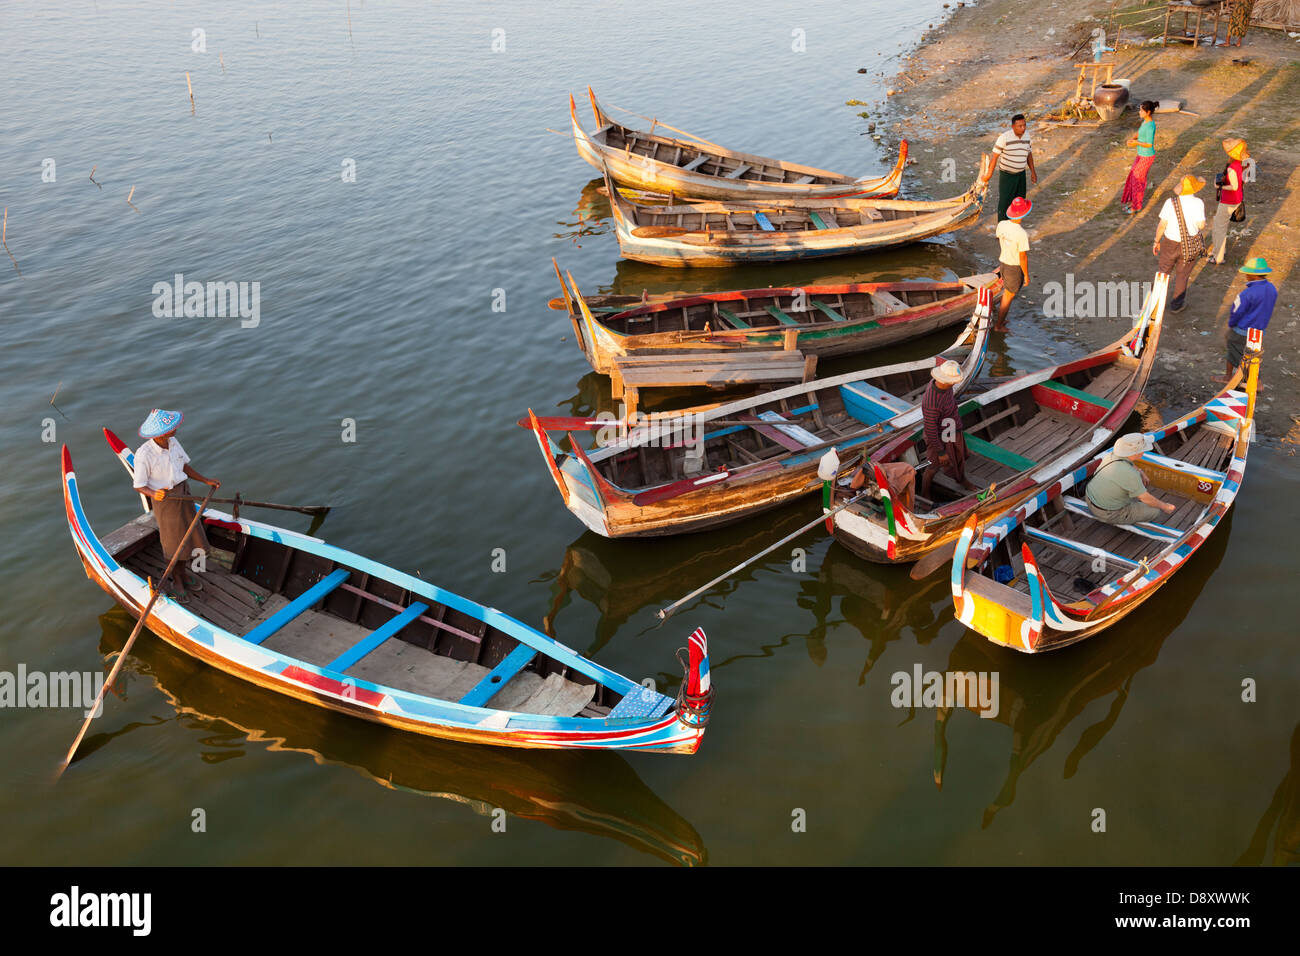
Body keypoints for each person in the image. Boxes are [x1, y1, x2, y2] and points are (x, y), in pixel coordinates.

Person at [132, 409, 221, 601]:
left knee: (190, 536)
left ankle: (184, 574)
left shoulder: (173, 443)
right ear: (161, 433)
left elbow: (184, 466)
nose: (175, 429)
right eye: (171, 428)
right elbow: (139, 485)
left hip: (184, 493)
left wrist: (206, 480)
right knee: (173, 543)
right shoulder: (144, 454)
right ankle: (176, 579)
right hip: (166, 502)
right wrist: (154, 493)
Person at [1085, 433, 1177, 526]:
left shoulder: (1111, 455)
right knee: (1155, 511)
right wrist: (1165, 507)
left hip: (1089, 498)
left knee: (1131, 489)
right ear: (1136, 453)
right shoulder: (1130, 474)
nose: (1143, 452)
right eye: (1142, 450)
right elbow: (1145, 498)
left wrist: (1140, 471)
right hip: (1107, 513)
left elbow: (1128, 462)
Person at [920, 360, 977, 499]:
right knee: (933, 465)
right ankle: (925, 493)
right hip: (939, 434)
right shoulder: (931, 402)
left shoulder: (944, 386)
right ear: (946, 381)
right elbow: (930, 429)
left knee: (958, 456)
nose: (954, 383)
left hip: (950, 426)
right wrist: (941, 452)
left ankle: (961, 479)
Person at [1152, 175, 1207, 313]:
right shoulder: (1199, 203)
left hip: (1170, 243)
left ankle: (1155, 304)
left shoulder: (1170, 202)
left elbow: (1162, 225)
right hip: (1190, 245)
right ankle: (1177, 305)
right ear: (1195, 188)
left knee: (1163, 271)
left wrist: (1156, 241)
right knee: (1182, 275)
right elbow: (1201, 225)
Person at [1217, 257, 1277, 383]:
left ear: (1252, 275)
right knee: (1253, 355)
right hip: (1259, 330)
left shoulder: (1246, 294)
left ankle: (1232, 377)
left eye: (1247, 274)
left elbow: (1236, 312)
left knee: (1234, 351)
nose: (1246, 276)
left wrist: (1231, 324)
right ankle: (1252, 380)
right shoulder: (1272, 289)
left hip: (1243, 329)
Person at [983, 113, 1037, 222]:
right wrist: (988, 174)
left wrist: (1033, 172)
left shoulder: (1027, 136)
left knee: (1020, 201)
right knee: (1005, 202)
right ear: (1013, 126)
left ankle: (1015, 225)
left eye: (1024, 125)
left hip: (1021, 175)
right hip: (1007, 175)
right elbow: (994, 157)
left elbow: (1029, 154)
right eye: (1020, 126)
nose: (1023, 128)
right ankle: (1002, 228)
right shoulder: (1004, 138)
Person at [994, 196, 1031, 331]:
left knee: (1007, 292)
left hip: (1003, 262)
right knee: (1008, 297)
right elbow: (1023, 258)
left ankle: (1000, 319)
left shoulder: (1002, 224)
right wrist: (1026, 275)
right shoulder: (1021, 234)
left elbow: (999, 238)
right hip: (1014, 267)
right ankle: (998, 325)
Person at [1211, 138, 1248, 265]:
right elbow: (1244, 182)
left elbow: (1234, 186)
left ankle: (1218, 256)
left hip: (1228, 201)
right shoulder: (1244, 164)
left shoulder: (1232, 167)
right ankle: (1217, 250)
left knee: (1219, 227)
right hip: (1238, 199)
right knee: (1219, 224)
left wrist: (1219, 186)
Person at [1121, 101, 1159, 214]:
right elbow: (1139, 132)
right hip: (1141, 155)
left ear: (1148, 112)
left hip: (1146, 157)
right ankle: (1132, 202)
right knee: (1133, 176)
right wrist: (1133, 138)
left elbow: (1149, 144)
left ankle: (1136, 206)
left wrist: (1136, 143)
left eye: (1142, 110)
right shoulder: (1145, 122)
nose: (1139, 112)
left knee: (1138, 181)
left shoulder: (1151, 126)